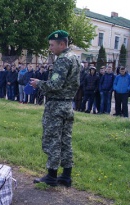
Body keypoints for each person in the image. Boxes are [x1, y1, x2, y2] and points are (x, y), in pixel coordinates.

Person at [30, 30, 80, 187]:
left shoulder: (63, 60)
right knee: (66, 140)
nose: (50, 48)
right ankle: (66, 176)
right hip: (67, 105)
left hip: (56, 106)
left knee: (53, 140)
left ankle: (51, 176)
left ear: (62, 44)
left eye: (52, 45)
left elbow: (55, 85)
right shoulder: (75, 58)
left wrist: (38, 83)